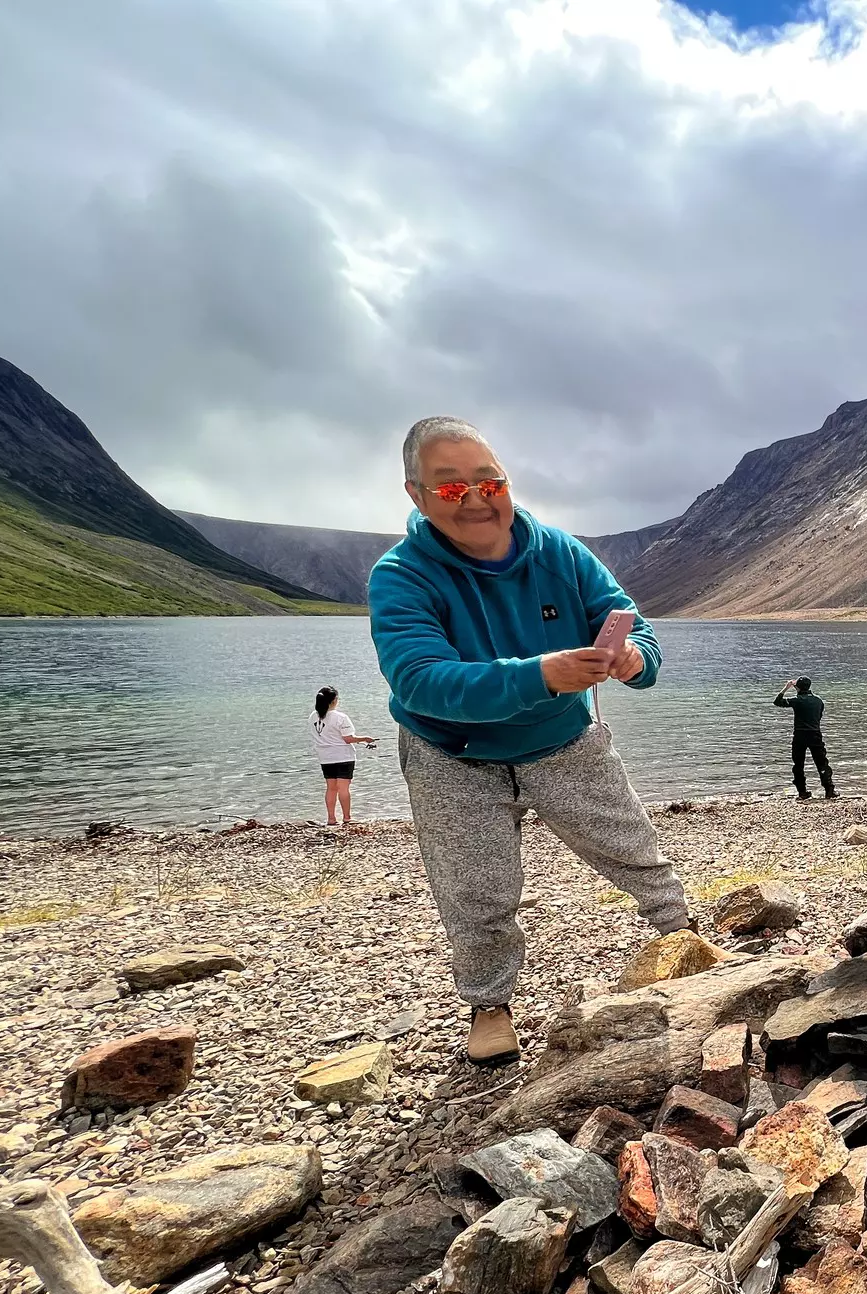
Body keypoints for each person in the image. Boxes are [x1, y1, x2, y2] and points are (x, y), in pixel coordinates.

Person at [368, 416, 693, 1067]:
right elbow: (422, 680)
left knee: (632, 846)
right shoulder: (400, 576)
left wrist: (633, 657)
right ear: (417, 496)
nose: (478, 497)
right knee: (475, 886)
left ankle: (686, 942)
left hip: (562, 740)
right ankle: (489, 1006)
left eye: (490, 480)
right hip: (452, 754)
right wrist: (541, 674)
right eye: (452, 487)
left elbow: (632, 623)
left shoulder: (560, 554)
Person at [310, 686, 376, 828]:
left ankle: (331, 819)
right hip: (343, 757)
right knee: (344, 788)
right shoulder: (341, 717)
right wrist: (365, 738)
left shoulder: (313, 717)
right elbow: (348, 739)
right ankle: (347, 818)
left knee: (331, 788)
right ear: (333, 701)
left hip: (325, 757)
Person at [773, 676, 835, 799]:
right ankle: (829, 790)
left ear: (798, 688)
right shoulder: (818, 701)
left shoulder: (797, 701)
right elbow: (819, 716)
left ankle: (802, 792)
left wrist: (786, 688)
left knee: (798, 764)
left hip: (800, 735)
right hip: (815, 734)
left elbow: (777, 702)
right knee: (822, 763)